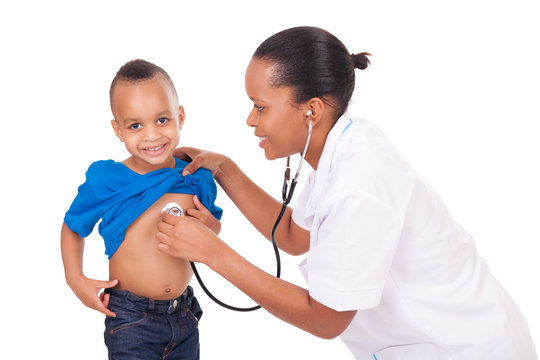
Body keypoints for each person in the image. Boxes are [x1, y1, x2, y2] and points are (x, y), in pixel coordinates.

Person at [155, 27, 538, 359]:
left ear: (311, 111)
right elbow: (292, 235)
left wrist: (212, 252)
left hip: (465, 349)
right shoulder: (346, 147)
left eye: (260, 107)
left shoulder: (360, 184)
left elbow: (325, 318)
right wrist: (225, 170)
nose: (251, 120)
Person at [61, 59, 222, 360]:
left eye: (162, 120)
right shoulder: (107, 180)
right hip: (130, 319)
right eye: (135, 125)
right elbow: (73, 226)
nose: (151, 135)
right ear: (118, 130)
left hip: (184, 314)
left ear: (180, 116)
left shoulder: (196, 176)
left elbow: (212, 228)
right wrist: (75, 279)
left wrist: (211, 228)